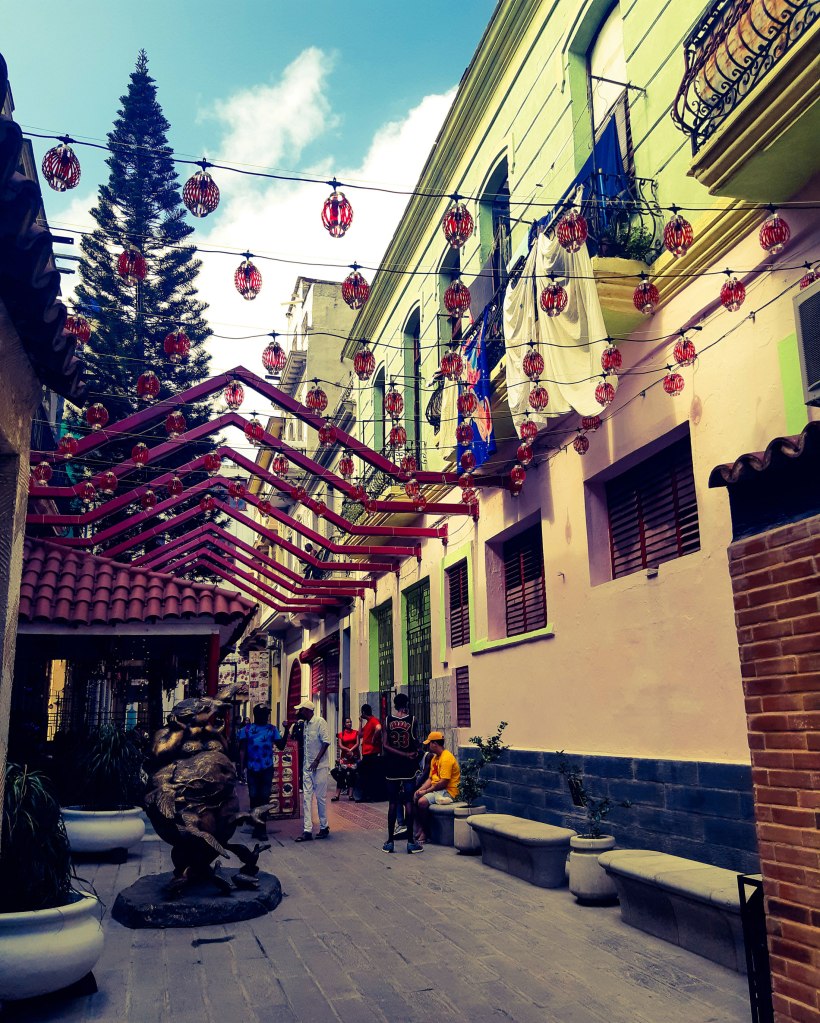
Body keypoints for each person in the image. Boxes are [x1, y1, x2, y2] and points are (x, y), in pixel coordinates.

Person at [382, 693, 423, 854]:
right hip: (408, 766)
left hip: (392, 766)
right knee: (408, 802)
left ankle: (390, 841)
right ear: (406, 704)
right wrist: (410, 753)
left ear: (394, 705)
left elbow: (385, 745)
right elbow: (415, 742)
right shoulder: (412, 720)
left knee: (392, 803)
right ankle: (411, 842)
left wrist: (399, 753)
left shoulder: (387, 720)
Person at [239, 705, 288, 840]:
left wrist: (287, 729)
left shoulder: (272, 729)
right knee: (254, 797)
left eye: (267, 714)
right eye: (265, 714)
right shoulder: (246, 730)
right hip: (252, 768)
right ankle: (256, 826)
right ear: (257, 715)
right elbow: (242, 750)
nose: (267, 716)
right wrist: (241, 768)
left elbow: (281, 746)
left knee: (264, 797)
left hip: (267, 769)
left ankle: (262, 829)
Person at [290, 698, 331, 842]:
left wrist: (317, 760)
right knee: (306, 798)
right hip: (307, 767)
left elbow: (326, 742)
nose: (298, 712)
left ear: (307, 711)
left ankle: (324, 826)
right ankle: (307, 830)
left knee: (320, 798)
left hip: (320, 767)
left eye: (301, 710)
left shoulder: (320, 722)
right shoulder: (305, 724)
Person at [413, 731, 461, 844]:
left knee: (422, 802)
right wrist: (420, 790)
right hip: (437, 790)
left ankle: (425, 831)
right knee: (414, 796)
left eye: (429, 743)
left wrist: (426, 791)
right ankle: (420, 827)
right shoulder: (435, 758)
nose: (428, 746)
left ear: (435, 744)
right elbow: (431, 779)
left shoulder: (446, 758)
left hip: (448, 791)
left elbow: (443, 782)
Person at [355, 703, 382, 802]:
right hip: (366, 753)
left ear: (363, 712)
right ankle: (367, 795)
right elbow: (360, 734)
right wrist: (360, 722)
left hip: (371, 753)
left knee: (367, 775)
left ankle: (368, 796)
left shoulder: (374, 720)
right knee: (365, 775)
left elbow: (379, 728)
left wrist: (374, 739)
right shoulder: (368, 723)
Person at [331, 717, 359, 801]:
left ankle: (351, 795)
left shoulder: (355, 732)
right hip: (345, 757)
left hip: (353, 756)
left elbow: (357, 743)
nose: (349, 724)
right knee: (341, 775)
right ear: (344, 724)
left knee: (352, 775)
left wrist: (351, 750)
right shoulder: (341, 734)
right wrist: (347, 750)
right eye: (347, 722)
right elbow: (340, 745)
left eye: (350, 722)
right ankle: (337, 795)